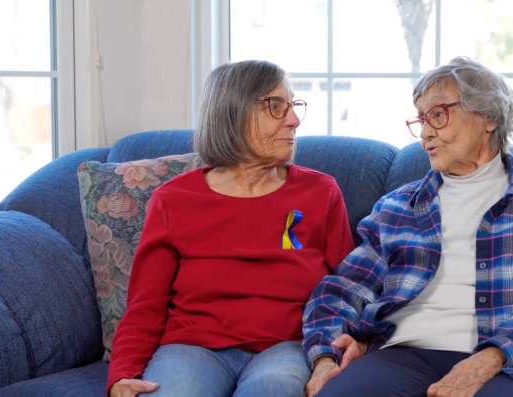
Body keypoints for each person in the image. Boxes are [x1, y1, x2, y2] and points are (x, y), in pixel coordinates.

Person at [302, 56, 513, 397]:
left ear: (488, 117)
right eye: (421, 120)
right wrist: (324, 356)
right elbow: (342, 290)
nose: (426, 133)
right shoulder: (397, 206)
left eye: (439, 115)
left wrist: (494, 354)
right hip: (403, 354)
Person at [106, 60, 355, 397]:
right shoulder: (174, 200)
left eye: (293, 106)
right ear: (233, 115)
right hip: (193, 347)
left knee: (273, 389)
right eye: (276, 107)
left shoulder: (321, 192)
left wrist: (329, 354)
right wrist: (122, 374)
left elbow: (347, 289)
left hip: (287, 346)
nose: (294, 120)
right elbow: (145, 306)